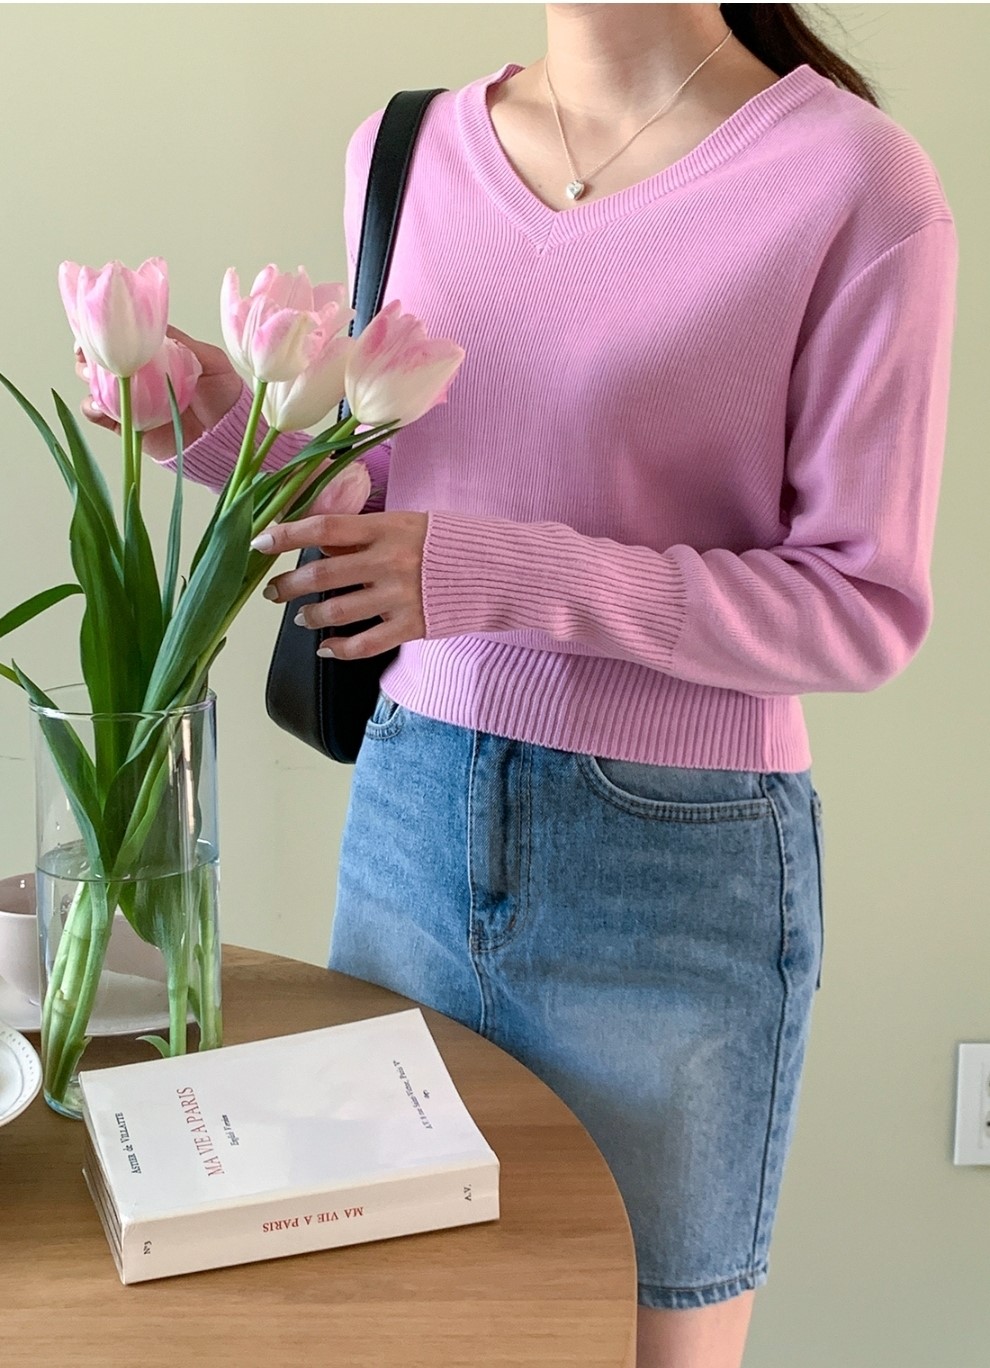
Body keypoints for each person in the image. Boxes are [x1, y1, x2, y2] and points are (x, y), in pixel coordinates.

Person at [77, 5, 959, 1365]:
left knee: (642, 1346)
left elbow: (860, 606)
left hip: (672, 869)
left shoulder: (851, 180)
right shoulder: (406, 148)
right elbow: (387, 499)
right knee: (386, 1329)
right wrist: (209, 418)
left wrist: (493, 573)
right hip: (412, 818)